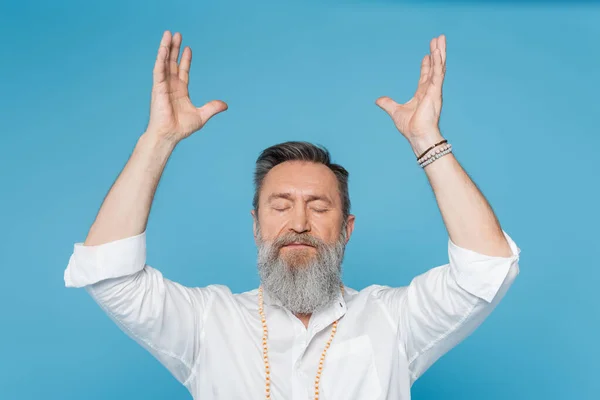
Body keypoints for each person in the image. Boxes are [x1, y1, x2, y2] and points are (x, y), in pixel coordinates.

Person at [64, 30, 520, 400]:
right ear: (256, 223)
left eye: (319, 206)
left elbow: (487, 269)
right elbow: (110, 272)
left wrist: (426, 141)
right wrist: (158, 140)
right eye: (280, 206)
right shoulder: (208, 322)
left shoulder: (393, 320)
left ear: (347, 228)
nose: (298, 222)